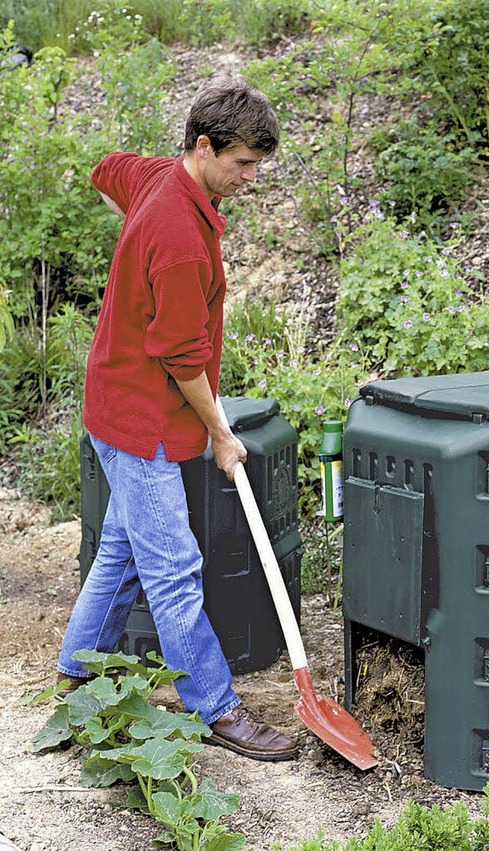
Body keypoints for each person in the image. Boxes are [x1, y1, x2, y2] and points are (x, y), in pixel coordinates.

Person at [56, 76, 298, 762]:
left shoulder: (161, 180)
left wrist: (136, 241)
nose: (251, 177)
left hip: (113, 401)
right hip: (143, 421)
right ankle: (216, 706)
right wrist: (221, 431)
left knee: (125, 549)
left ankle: (75, 675)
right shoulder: (180, 236)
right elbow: (181, 356)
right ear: (203, 145)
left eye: (258, 163)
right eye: (243, 163)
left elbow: (108, 171)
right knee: (172, 566)